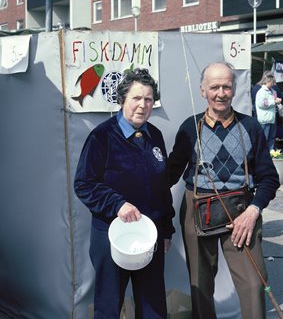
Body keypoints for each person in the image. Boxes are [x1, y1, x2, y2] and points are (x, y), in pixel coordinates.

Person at [168, 62, 280, 319]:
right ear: (202, 91)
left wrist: (253, 211)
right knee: (200, 284)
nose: (221, 93)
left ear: (234, 88)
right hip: (197, 208)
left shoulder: (250, 127)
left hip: (241, 211)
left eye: (226, 86)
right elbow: (170, 174)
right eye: (214, 87)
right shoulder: (190, 127)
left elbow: (269, 178)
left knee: (254, 284)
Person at [74, 68, 175, 319]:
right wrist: (117, 204)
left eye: (149, 99)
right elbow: (84, 184)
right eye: (136, 98)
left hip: (149, 236)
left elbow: (162, 187)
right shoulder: (103, 137)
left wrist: (166, 229)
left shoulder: (155, 136)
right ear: (122, 101)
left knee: (153, 306)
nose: (142, 105)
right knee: (109, 306)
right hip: (112, 236)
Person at [255, 73, 282, 150]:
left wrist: (277, 100)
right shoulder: (261, 92)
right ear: (268, 82)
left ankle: (270, 153)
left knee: (272, 137)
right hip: (265, 119)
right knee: (264, 138)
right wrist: (274, 101)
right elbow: (262, 104)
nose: (273, 84)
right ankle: (262, 154)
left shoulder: (272, 91)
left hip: (272, 118)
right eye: (272, 82)